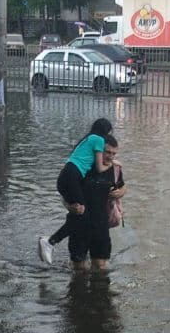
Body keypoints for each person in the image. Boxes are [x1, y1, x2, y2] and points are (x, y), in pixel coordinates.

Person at [37, 117, 113, 265]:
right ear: (105, 131)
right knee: (82, 215)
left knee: (79, 214)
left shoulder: (86, 139)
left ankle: (50, 242)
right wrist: (112, 164)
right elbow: (99, 167)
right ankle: (50, 241)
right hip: (72, 177)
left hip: (64, 177)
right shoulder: (98, 139)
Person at [67, 137, 126, 273]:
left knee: (100, 266)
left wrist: (121, 191)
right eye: (107, 152)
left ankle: (100, 292)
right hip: (80, 224)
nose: (110, 156)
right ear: (98, 151)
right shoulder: (82, 166)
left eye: (113, 153)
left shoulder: (115, 169)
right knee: (79, 268)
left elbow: (122, 186)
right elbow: (64, 192)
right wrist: (69, 207)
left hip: (101, 225)